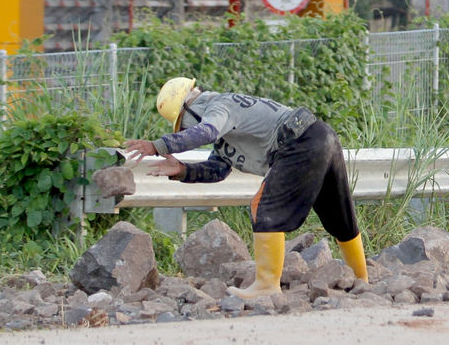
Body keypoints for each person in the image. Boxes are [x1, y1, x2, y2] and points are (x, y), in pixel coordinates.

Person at [123, 77, 368, 298]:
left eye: (183, 124)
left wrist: (158, 146)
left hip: (298, 141)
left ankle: (266, 286)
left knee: (263, 208)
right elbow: (218, 169)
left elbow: (205, 132)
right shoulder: (225, 132)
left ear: (189, 108)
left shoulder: (219, 106)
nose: (185, 130)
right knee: (337, 214)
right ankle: (361, 280)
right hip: (319, 135)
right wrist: (183, 170)